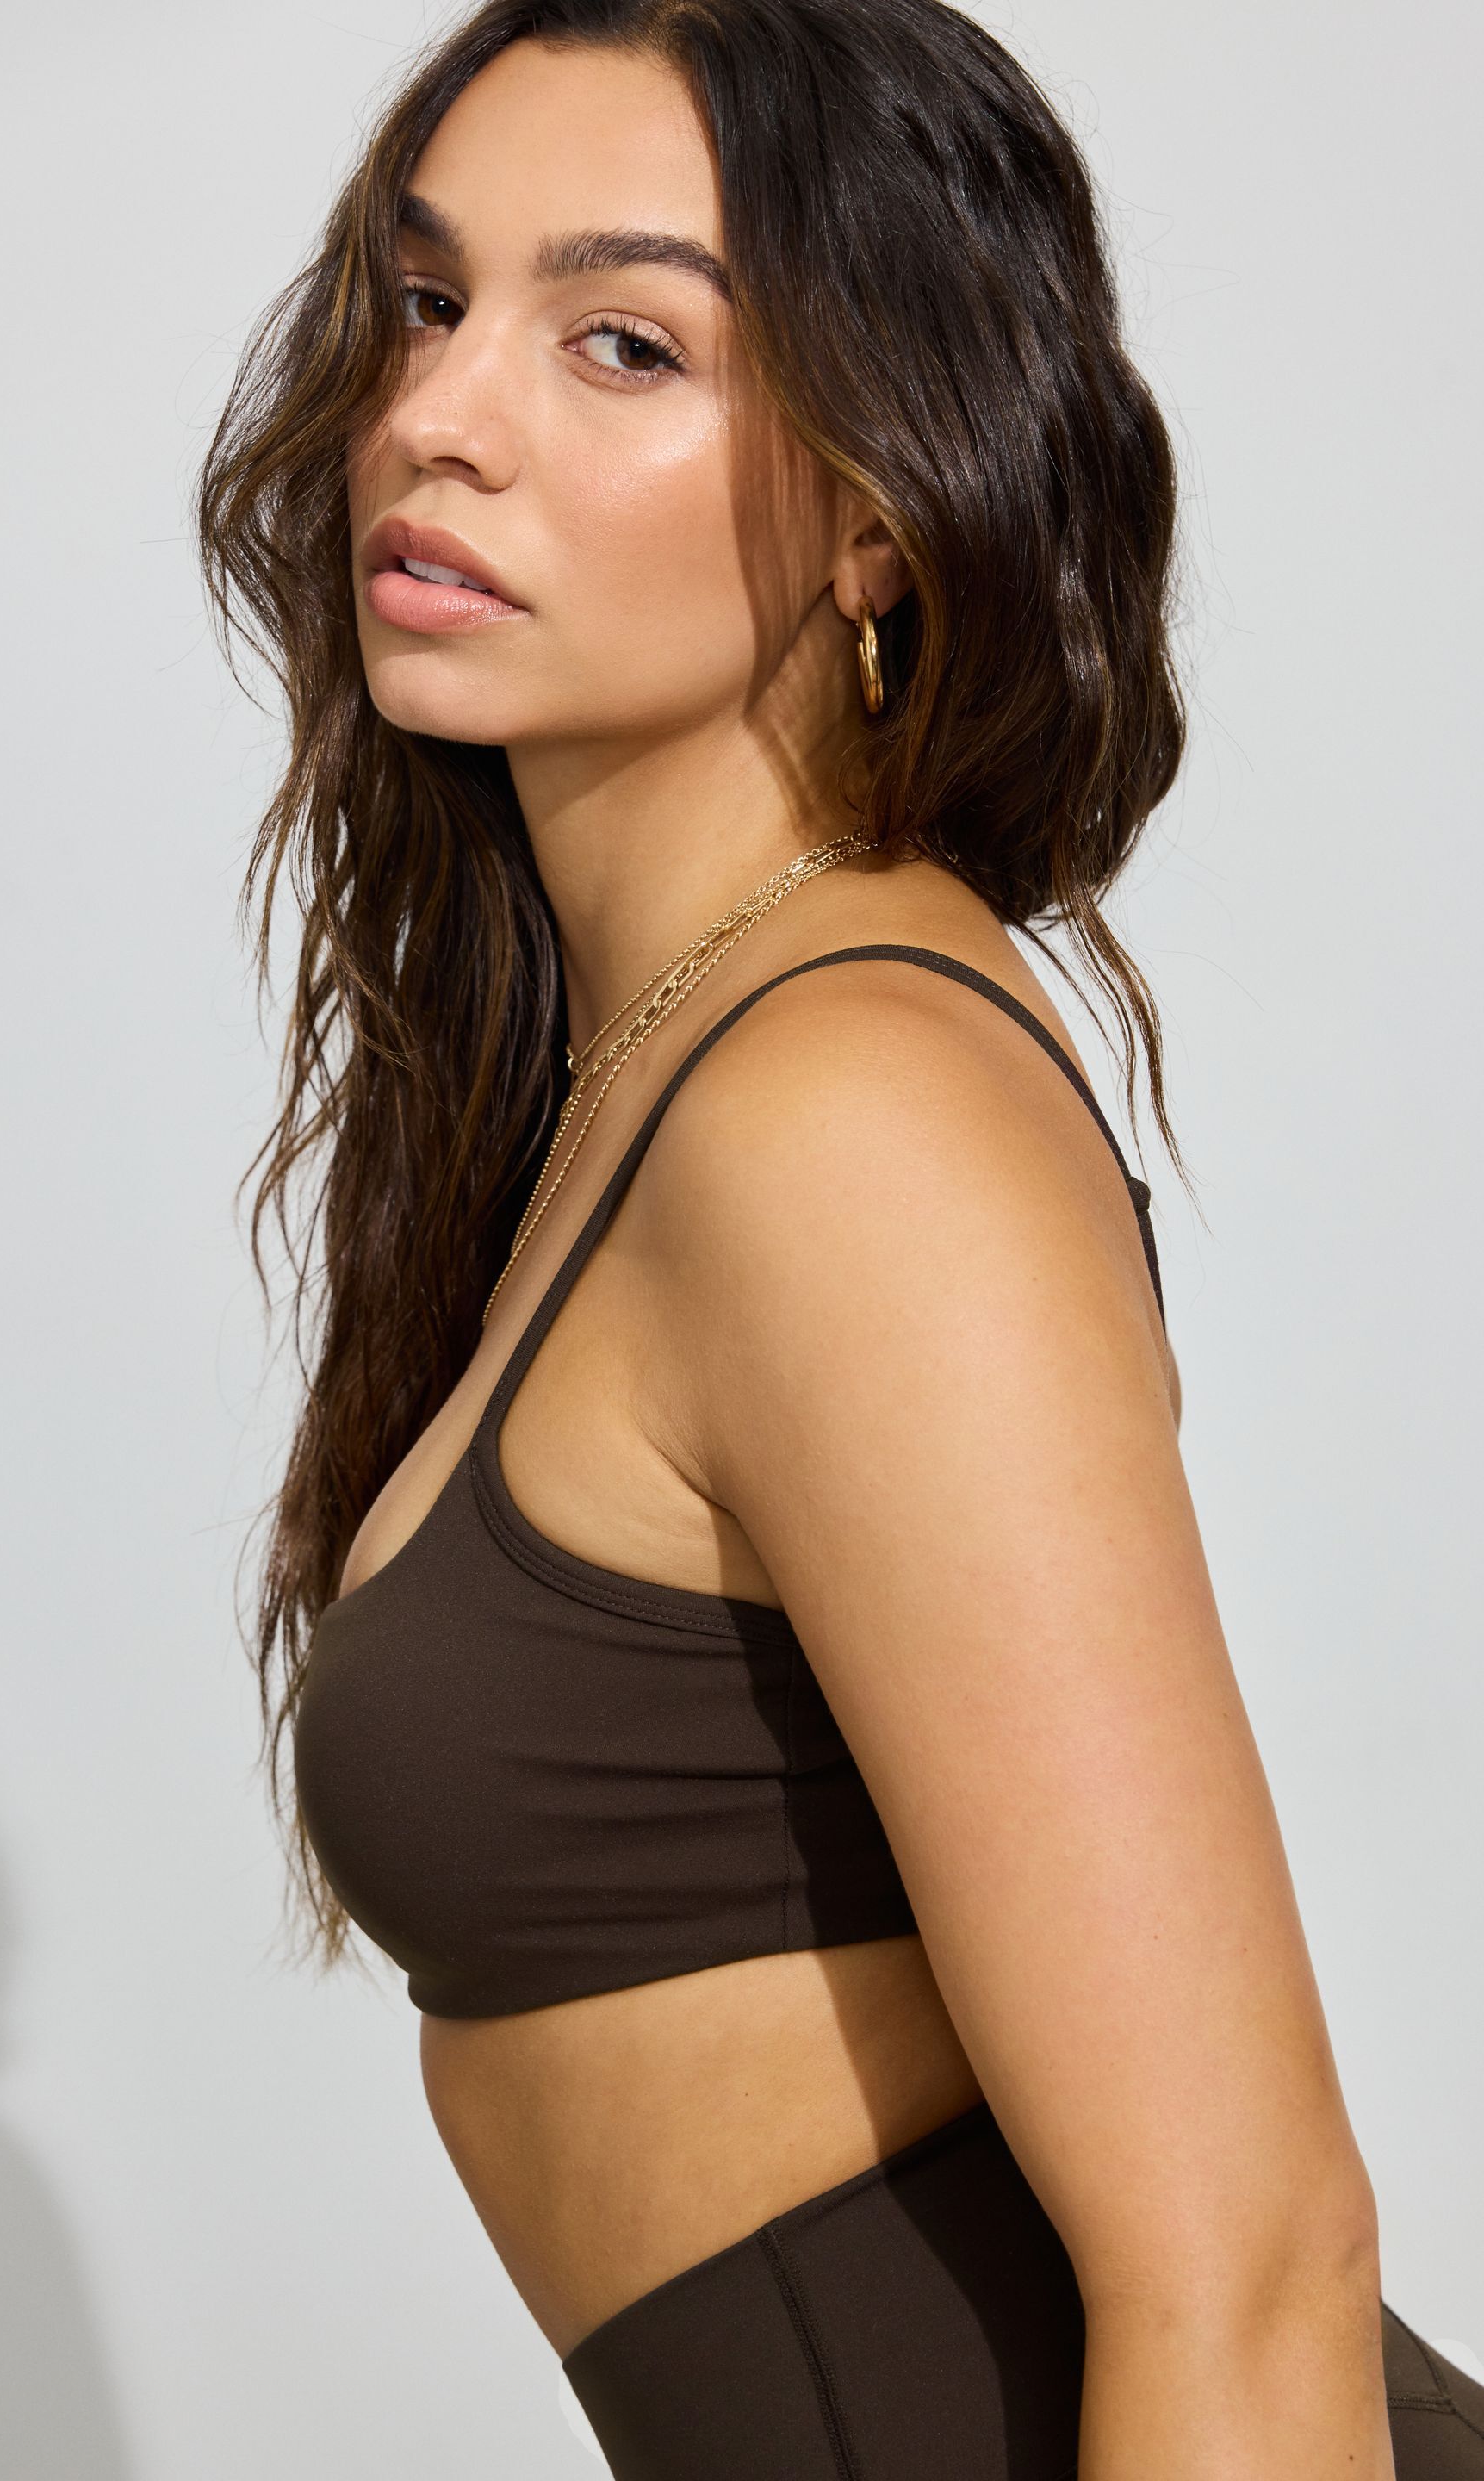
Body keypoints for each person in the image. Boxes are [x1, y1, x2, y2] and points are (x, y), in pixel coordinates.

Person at [197, 2, 1480, 2472]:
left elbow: (1250, 2261)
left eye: (625, 343)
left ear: (887, 509)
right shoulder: (663, 1060)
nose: (440, 413)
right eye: (428, 300)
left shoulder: (846, 1113)